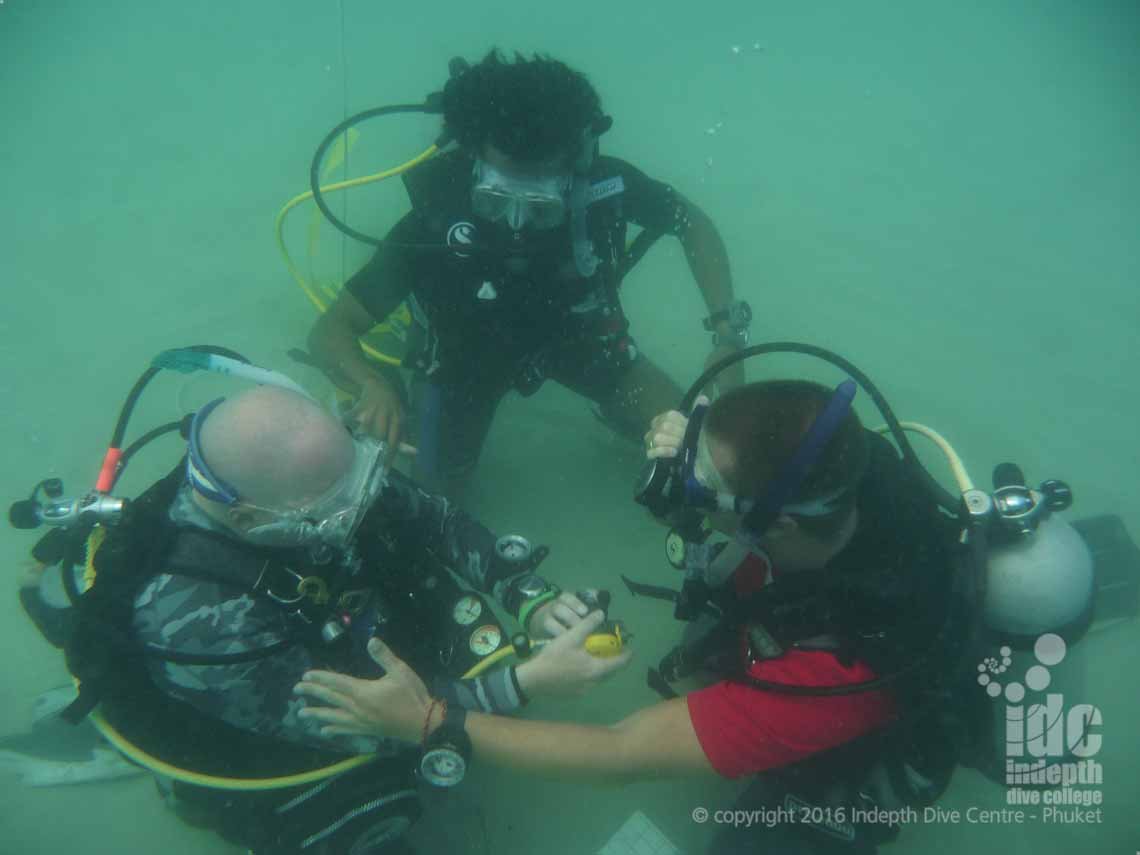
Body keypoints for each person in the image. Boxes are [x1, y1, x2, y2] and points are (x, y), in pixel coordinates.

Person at [295, 378, 976, 853]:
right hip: (779, 599)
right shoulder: (842, 463)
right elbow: (748, 481)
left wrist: (429, 721)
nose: (680, 490)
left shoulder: (842, 665)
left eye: (700, 486)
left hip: (849, 757)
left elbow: (619, 751)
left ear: (782, 523)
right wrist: (699, 446)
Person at [21, 367, 628, 855]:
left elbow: (433, 519)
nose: (365, 505)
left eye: (361, 477)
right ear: (249, 520)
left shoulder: (309, 476)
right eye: (339, 513)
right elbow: (364, 725)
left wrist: (529, 594)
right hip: (274, 729)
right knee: (378, 817)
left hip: (327, 627)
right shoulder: (196, 620)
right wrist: (520, 685)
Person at [307, 49, 749, 494]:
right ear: (474, 161)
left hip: (581, 336)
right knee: (436, 495)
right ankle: (410, 394)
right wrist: (371, 385)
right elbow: (331, 331)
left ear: (574, 170)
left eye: (539, 207)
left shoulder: (603, 187)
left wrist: (726, 330)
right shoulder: (437, 219)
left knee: (706, 456)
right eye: (495, 201)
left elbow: (691, 223)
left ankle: (621, 414)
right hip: (464, 362)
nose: (515, 227)